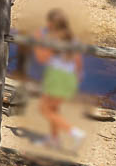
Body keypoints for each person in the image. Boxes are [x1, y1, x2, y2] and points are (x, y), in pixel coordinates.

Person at [34, 8, 85, 151]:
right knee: (54, 109)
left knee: (44, 109)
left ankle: (75, 133)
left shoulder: (53, 38)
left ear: (51, 23)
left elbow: (41, 58)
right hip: (69, 77)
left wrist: (37, 41)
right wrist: (77, 78)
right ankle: (54, 139)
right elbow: (78, 61)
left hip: (56, 77)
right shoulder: (72, 38)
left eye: (48, 22)